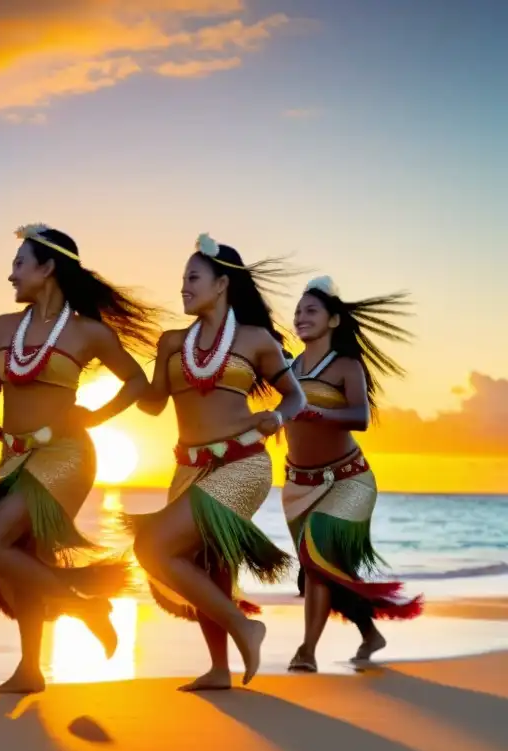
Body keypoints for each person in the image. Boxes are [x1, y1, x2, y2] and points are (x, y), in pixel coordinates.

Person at [0, 222, 161, 694]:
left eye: (19, 264)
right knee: (22, 554)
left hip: (66, 455)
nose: (11, 275)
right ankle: (30, 669)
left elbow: (136, 382)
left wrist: (95, 417)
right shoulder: (2, 328)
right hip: (13, 458)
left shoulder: (88, 333)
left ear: (48, 267)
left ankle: (83, 605)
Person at [131, 233, 305, 691]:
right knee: (211, 564)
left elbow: (295, 394)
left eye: (193, 278)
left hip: (243, 463)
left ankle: (245, 626)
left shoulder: (257, 340)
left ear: (222, 283)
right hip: (188, 468)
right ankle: (218, 669)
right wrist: (126, 376)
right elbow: (152, 404)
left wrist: (277, 416)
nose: (184, 288)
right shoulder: (172, 342)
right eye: (183, 279)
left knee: (151, 546)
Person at [283, 276, 422, 672]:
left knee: (316, 560)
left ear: (333, 321)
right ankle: (370, 634)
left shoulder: (346, 365)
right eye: (297, 311)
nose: (301, 317)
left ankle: (306, 651)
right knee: (323, 571)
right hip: (298, 487)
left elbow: (360, 417)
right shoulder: (290, 366)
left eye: (311, 310)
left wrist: (318, 413)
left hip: (348, 482)